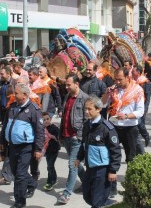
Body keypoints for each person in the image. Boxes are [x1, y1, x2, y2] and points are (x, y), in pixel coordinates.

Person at [102, 67, 144, 197]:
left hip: (129, 128)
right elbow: (103, 105)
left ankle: (131, 187)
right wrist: (106, 94)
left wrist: (126, 116)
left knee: (131, 158)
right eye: (116, 79)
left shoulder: (137, 90)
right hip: (114, 126)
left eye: (120, 79)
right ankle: (111, 188)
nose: (118, 82)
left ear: (128, 77)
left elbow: (140, 111)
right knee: (111, 155)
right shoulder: (114, 90)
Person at [75, 96, 121, 208]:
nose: (86, 112)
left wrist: (113, 170)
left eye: (89, 109)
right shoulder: (87, 125)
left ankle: (102, 202)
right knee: (87, 196)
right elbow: (84, 144)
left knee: (97, 201)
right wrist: (78, 158)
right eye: (85, 109)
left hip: (102, 170)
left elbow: (115, 150)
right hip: (90, 168)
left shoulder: (107, 128)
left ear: (98, 109)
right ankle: (104, 202)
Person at [5, 84, 44, 208]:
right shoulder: (12, 107)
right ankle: (32, 183)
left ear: (25, 95)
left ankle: (20, 201)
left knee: (20, 175)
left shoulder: (34, 109)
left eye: (16, 93)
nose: (14, 95)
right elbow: (6, 125)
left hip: (26, 147)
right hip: (12, 145)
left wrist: (38, 149)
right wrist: (2, 141)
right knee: (15, 171)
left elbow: (40, 131)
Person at [58, 73, 88, 205]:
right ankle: (88, 182)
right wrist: (61, 135)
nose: (66, 87)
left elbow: (87, 121)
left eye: (68, 85)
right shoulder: (67, 96)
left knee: (72, 165)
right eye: (66, 84)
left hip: (76, 138)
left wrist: (79, 135)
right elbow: (64, 116)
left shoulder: (85, 99)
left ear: (77, 84)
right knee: (76, 164)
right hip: (66, 137)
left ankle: (66, 194)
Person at [0, 66, 16, 162]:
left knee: (10, 133)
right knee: (3, 134)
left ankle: (11, 154)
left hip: (12, 112)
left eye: (2, 74)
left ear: (8, 74)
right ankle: (3, 154)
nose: (0, 75)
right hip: (3, 112)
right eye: (0, 73)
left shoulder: (15, 83)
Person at [131, 65, 150, 154]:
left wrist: (145, 108)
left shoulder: (145, 82)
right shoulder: (131, 82)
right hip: (133, 106)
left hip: (141, 106)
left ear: (138, 72)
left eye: (133, 71)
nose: (131, 72)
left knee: (141, 124)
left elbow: (148, 96)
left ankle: (146, 136)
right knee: (137, 125)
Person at [42, 112, 61, 191]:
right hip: (47, 151)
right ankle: (54, 178)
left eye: (48, 119)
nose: (46, 121)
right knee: (50, 166)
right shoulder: (41, 129)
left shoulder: (53, 127)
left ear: (50, 119)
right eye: (44, 120)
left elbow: (59, 136)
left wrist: (54, 137)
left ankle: (51, 181)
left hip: (54, 150)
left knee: (50, 166)